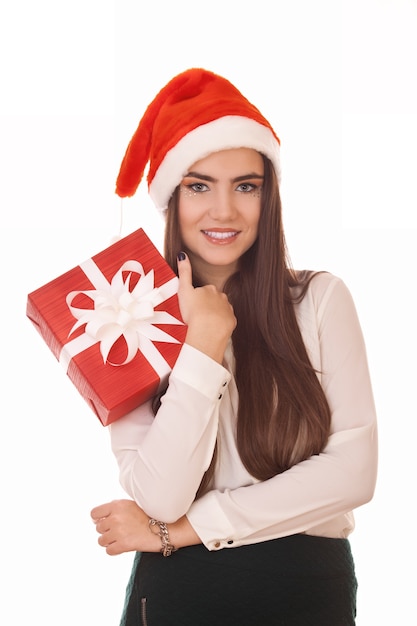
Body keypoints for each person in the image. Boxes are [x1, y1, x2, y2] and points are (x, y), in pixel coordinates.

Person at [90, 68, 378, 625]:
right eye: (199, 186)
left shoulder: (319, 299)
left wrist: (180, 532)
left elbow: (353, 473)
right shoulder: (124, 323)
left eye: (246, 186)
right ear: (172, 198)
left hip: (307, 588)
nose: (223, 211)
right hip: (178, 595)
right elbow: (160, 497)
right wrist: (203, 345)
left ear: (268, 197)